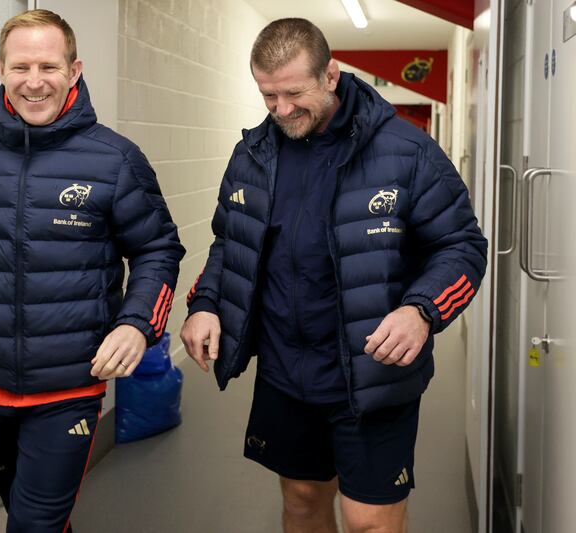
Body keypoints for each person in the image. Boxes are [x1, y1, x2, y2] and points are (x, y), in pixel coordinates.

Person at [180, 18, 487, 533]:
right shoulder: (253, 154)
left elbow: (462, 246)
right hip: (285, 368)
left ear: (331, 75)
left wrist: (422, 311)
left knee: (369, 520)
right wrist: (205, 302)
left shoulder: (405, 152)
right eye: (268, 95)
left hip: (370, 371)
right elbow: (230, 242)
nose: (280, 110)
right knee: (301, 499)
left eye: (293, 93)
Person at [0, 9, 184, 532]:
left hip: (70, 386)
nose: (35, 81)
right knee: (27, 514)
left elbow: (158, 250)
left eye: (49, 66)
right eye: (21, 66)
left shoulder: (116, 160)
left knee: (32, 526)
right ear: (0, 68)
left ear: (74, 70)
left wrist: (136, 323)